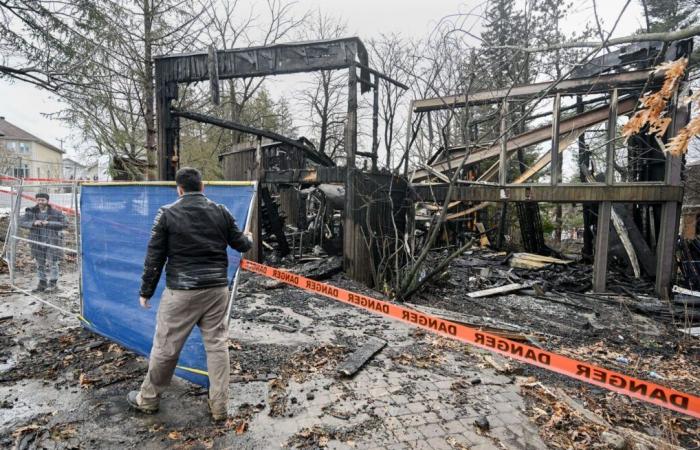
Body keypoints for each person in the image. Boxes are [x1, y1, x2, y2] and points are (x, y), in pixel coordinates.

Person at [127, 167, 252, 421]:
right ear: (203, 187)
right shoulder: (221, 212)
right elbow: (241, 244)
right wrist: (248, 238)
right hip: (217, 290)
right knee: (217, 346)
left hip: (181, 293)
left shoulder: (167, 214)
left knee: (166, 347)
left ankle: (148, 399)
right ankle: (219, 407)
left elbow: (155, 257)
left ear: (179, 189)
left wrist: (146, 291)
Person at [19, 193, 66, 293]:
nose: (40, 202)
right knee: (40, 264)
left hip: (52, 242)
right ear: (36, 200)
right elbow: (21, 222)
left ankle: (53, 284)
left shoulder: (55, 212)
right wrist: (33, 223)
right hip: (36, 242)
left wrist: (49, 223)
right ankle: (42, 283)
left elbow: (64, 224)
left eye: (43, 200)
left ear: (47, 201)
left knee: (53, 263)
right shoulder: (31, 211)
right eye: (38, 200)